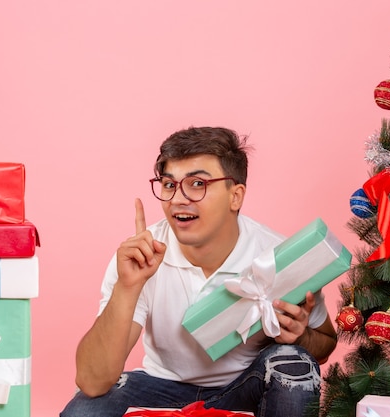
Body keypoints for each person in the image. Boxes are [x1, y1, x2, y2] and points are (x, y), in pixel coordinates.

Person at [60, 126, 337, 417]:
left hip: (245, 386)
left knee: (293, 363)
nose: (179, 198)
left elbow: (325, 344)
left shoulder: (279, 257)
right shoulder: (139, 256)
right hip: (160, 386)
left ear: (236, 196)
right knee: (84, 410)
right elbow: (91, 382)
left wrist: (300, 337)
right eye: (169, 185)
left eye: (197, 184)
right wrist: (127, 288)